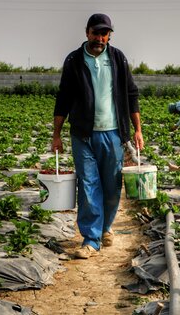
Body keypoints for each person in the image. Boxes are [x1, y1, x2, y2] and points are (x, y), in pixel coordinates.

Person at [51, 13, 144, 259]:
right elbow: (63, 98)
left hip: (113, 134)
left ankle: (105, 227)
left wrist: (137, 130)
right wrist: (56, 134)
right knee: (89, 185)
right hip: (83, 134)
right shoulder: (74, 60)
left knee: (112, 187)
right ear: (87, 32)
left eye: (104, 34)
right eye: (95, 33)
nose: (99, 38)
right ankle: (91, 239)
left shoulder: (117, 59)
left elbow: (131, 94)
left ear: (109, 35)